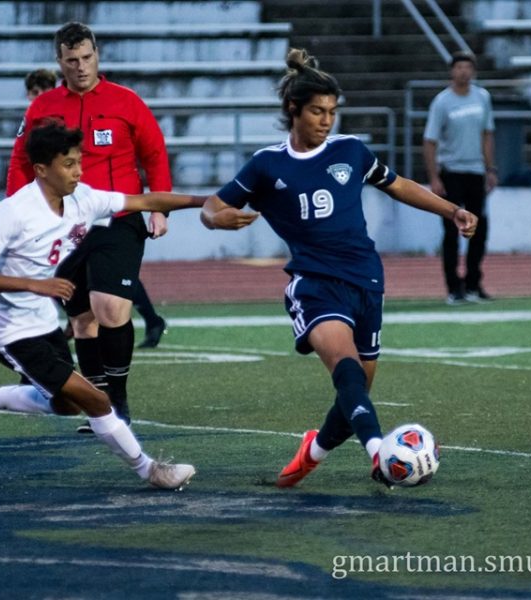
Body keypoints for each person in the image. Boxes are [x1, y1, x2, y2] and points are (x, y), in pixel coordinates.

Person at [200, 48, 477, 488]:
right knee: (346, 370)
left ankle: (312, 452)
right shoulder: (268, 164)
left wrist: (451, 210)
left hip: (367, 279)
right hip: (314, 283)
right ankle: (380, 455)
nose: (326, 120)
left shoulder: (351, 151)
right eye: (317, 111)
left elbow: (399, 184)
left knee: (355, 393)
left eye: (332, 111)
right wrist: (219, 218)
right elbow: (213, 206)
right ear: (294, 109)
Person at [0, 122, 202, 489]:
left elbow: (146, 201)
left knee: (65, 404)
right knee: (94, 398)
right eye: (68, 164)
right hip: (8, 330)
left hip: (41, 322)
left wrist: (211, 202)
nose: (78, 171)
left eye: (78, 161)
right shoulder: (13, 211)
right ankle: (152, 470)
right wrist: (32, 284)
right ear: (41, 169)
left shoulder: (82, 199)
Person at [7, 22, 169, 434]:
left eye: (86, 57)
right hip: (63, 227)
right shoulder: (42, 108)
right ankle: (98, 404)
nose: (80, 67)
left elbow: (154, 153)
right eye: (71, 60)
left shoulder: (127, 102)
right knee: (81, 321)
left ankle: (117, 402)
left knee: (110, 307)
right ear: (59, 62)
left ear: (98, 54)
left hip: (119, 217)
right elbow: (21, 164)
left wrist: (161, 206)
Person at [423, 51, 498, 305]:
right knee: (452, 231)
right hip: (451, 172)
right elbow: (430, 141)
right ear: (451, 71)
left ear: (473, 71)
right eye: (459, 67)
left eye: (468, 67)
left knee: (479, 229)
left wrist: (490, 169)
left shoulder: (482, 98)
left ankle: (474, 283)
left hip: (475, 172)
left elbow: (487, 135)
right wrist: (434, 176)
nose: (463, 72)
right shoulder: (442, 102)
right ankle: (454, 287)